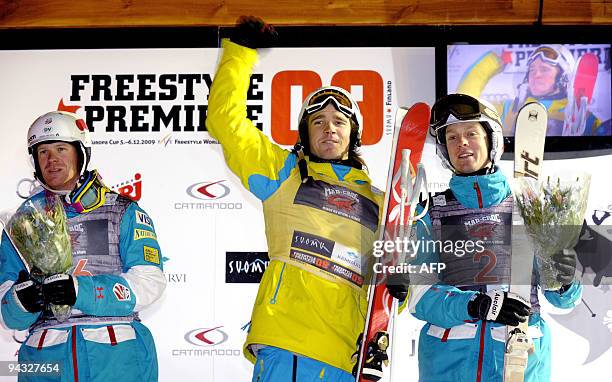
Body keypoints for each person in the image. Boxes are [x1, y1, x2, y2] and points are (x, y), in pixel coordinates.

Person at [206, 16, 384, 382]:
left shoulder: (381, 201)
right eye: (317, 122)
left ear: (355, 135)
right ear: (304, 134)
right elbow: (225, 121)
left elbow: (405, 273)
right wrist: (240, 54)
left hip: (347, 351)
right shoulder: (282, 172)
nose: (329, 128)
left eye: (339, 122)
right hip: (286, 342)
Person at [398, 94, 583, 381]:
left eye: (471, 133)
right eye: (451, 137)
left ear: (491, 140)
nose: (461, 143)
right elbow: (420, 297)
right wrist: (475, 305)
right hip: (449, 365)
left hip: (519, 361)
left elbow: (562, 301)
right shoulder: (430, 213)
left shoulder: (530, 209)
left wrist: (565, 280)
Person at [0, 111, 166, 381]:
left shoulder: (122, 211)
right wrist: (19, 302)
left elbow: (150, 281)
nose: (51, 160)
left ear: (80, 153)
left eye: (61, 149)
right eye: (43, 152)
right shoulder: (23, 222)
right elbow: (6, 308)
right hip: (45, 360)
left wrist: (81, 291)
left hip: (115, 358)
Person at [457, 44, 605, 136]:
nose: (536, 75)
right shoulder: (507, 108)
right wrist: (491, 62)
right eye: (532, 70)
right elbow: (464, 106)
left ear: (563, 77)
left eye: (544, 70)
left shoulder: (585, 119)